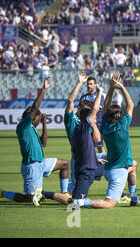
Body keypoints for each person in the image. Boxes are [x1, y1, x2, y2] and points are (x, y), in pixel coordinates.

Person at [74, 72, 140, 208]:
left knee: (134, 165)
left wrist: (112, 88)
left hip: (108, 167)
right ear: (119, 115)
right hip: (117, 171)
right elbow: (130, 105)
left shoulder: (104, 126)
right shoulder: (122, 126)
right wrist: (121, 87)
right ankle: (80, 202)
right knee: (109, 204)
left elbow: (105, 106)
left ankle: (134, 198)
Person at [0, 77, 71, 206]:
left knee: (65, 164)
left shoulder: (31, 128)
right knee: (29, 198)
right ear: (32, 119)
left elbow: (44, 143)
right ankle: (2, 193)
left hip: (41, 163)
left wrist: (44, 123)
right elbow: (34, 107)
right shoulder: (24, 126)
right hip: (32, 166)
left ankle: (65, 193)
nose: (38, 121)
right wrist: (44, 90)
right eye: (38, 119)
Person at [71, 85, 107, 204]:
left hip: (92, 167)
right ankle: (45, 194)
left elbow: (96, 141)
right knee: (75, 203)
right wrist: (100, 92)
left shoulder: (83, 129)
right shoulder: (82, 128)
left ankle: (117, 195)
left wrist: (95, 160)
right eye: (93, 117)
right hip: (85, 171)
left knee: (119, 166)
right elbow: (95, 109)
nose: (96, 118)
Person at [79, 76, 106, 154]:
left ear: (95, 85)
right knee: (87, 147)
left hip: (97, 124)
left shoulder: (100, 96)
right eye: (88, 84)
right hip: (86, 125)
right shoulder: (83, 97)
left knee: (100, 146)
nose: (89, 86)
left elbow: (97, 108)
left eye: (91, 84)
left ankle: (102, 165)